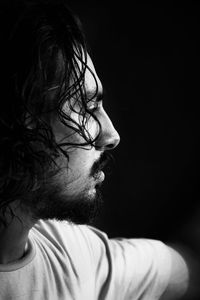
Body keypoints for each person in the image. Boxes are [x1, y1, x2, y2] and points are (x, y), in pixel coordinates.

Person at [0, 1, 199, 299]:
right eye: (88, 106)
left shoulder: (78, 259)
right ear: (19, 116)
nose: (112, 135)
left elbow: (180, 269)